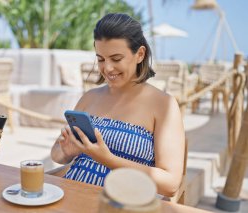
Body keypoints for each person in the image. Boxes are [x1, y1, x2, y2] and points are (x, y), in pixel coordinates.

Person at [50, 13, 185, 197]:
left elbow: (170, 184)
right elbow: (56, 154)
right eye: (101, 59)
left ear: (140, 54)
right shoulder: (89, 98)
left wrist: (108, 159)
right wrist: (67, 152)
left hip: (121, 204)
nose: (107, 68)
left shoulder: (163, 105)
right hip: (71, 195)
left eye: (116, 58)